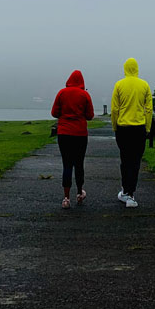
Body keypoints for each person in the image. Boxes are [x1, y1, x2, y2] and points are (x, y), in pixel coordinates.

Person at [111, 57, 153, 208]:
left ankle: (124, 191)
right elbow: (148, 109)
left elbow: (115, 109)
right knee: (135, 162)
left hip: (123, 128)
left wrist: (114, 126)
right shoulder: (144, 85)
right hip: (139, 128)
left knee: (125, 159)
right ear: (137, 69)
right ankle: (131, 195)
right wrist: (147, 128)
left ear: (125, 69)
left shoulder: (119, 85)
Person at [51, 70, 94, 209]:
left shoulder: (61, 93)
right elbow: (90, 115)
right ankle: (80, 193)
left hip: (64, 133)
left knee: (67, 164)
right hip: (80, 134)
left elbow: (54, 113)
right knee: (79, 164)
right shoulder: (85, 94)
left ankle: (66, 198)